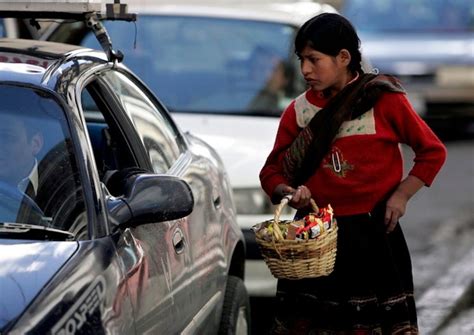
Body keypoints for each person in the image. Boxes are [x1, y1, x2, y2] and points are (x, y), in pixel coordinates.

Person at [259, 13, 447, 334]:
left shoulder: (385, 101)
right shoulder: (299, 112)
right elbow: (272, 173)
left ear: (344, 58)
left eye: (314, 60)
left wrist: (401, 196)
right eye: (301, 60)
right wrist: (289, 193)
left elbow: (432, 152)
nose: (305, 70)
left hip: (373, 237)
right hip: (316, 238)